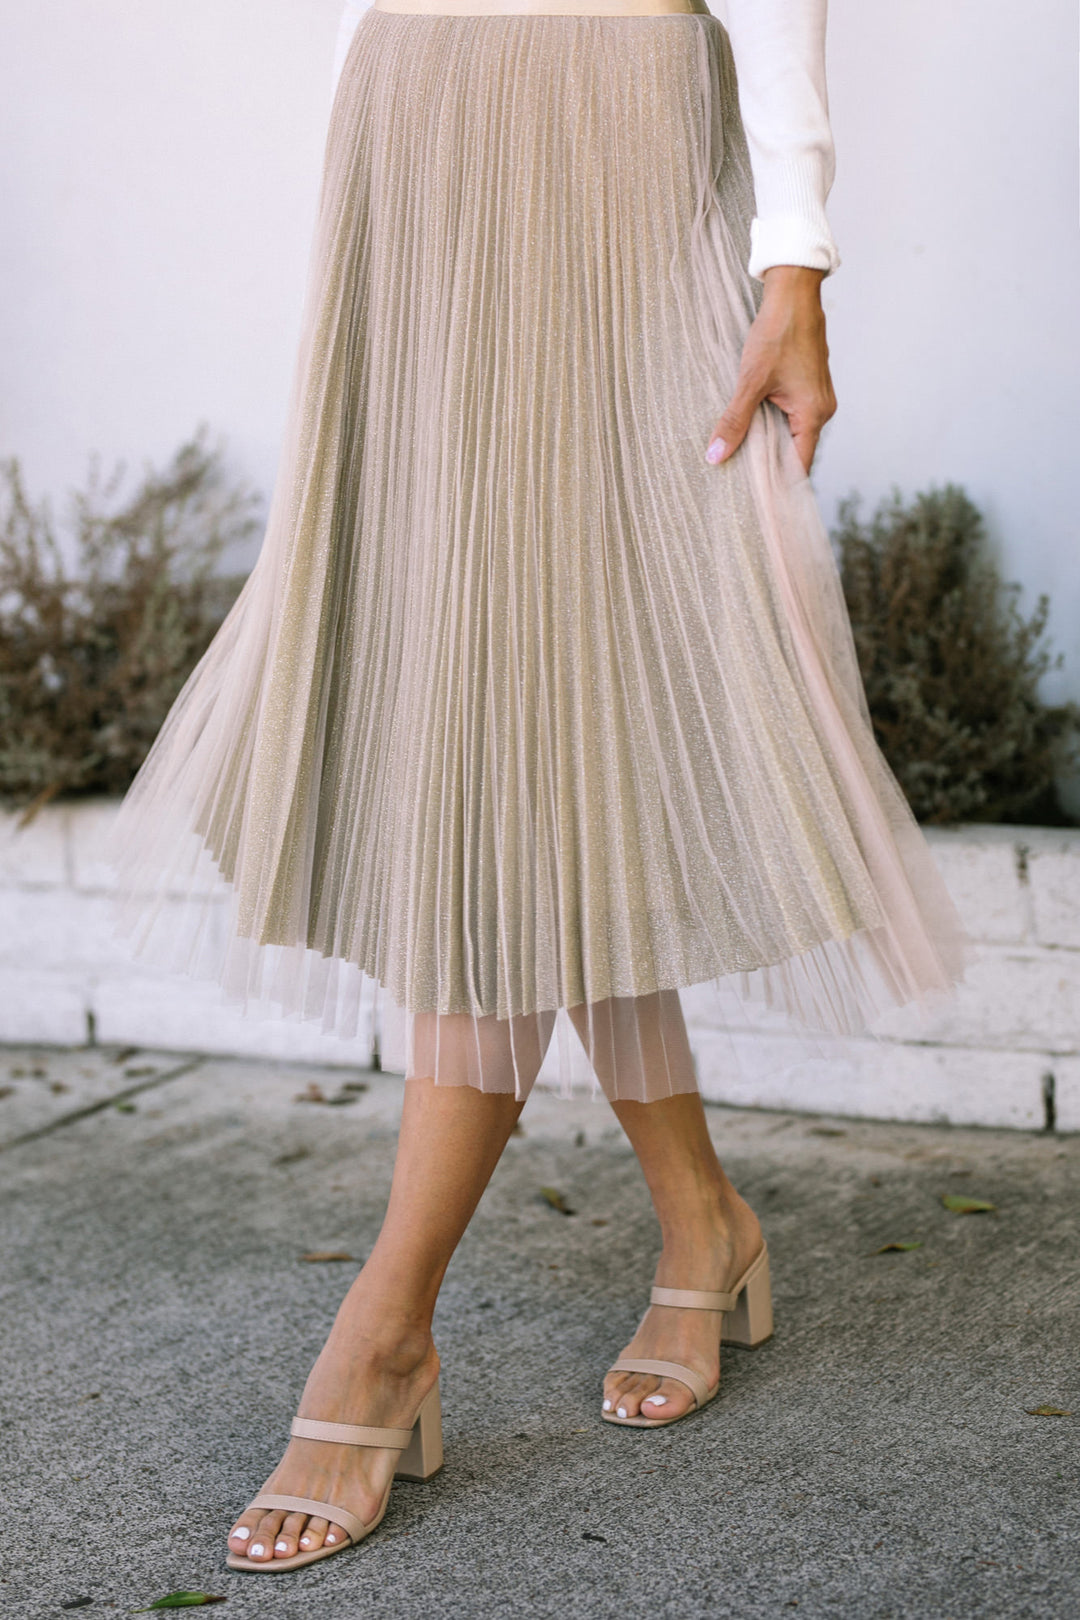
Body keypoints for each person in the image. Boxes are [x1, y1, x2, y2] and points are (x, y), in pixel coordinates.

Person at [110, 0, 966, 1574]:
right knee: (506, 717)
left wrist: (797, 257)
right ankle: (703, 1223)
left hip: (615, 124)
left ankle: (385, 1334)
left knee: (549, 696)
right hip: (420, 119)